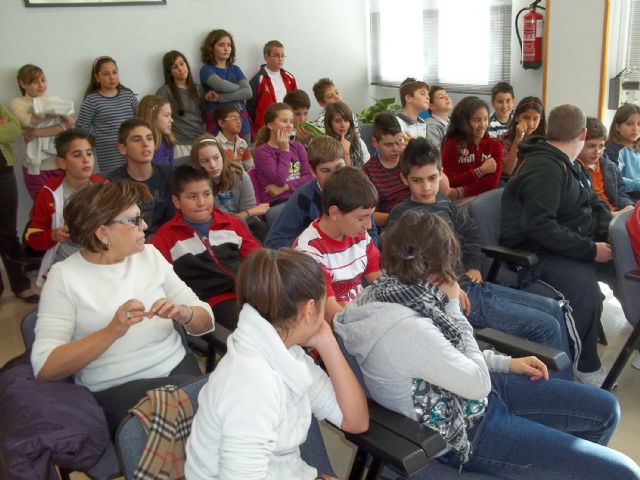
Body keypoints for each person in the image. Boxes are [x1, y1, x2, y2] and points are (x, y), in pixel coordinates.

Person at [334, 210, 640, 480]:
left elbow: (445, 357)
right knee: (623, 473)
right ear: (438, 266)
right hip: (464, 429)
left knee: (606, 409)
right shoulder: (406, 327)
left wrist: (506, 363)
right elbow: (474, 381)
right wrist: (453, 307)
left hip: (469, 393)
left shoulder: (395, 290)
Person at [30, 181, 214, 436]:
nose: (145, 226)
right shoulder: (64, 277)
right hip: (117, 388)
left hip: (178, 368)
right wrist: (112, 331)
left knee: (214, 413)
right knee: (210, 417)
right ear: (103, 233)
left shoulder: (149, 255)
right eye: (135, 220)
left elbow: (205, 319)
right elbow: (45, 367)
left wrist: (185, 313)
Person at [185, 248, 368, 479]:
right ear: (309, 310)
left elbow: (355, 421)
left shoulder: (286, 351)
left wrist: (328, 343)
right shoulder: (251, 384)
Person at [389, 138, 571, 361]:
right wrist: (450, 287)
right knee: (547, 326)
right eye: (417, 180)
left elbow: (470, 232)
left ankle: (565, 384)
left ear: (441, 173)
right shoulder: (402, 217)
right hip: (455, 300)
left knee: (553, 308)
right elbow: (402, 268)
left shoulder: (444, 202)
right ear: (404, 179)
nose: (426, 187)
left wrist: (474, 264)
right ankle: (557, 390)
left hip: (473, 285)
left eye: (432, 178)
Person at [501, 104, 615, 386]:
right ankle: (584, 369)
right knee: (585, 292)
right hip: (534, 254)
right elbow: (540, 228)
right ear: (582, 133)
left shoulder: (570, 164)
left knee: (624, 266)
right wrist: (591, 250)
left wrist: (608, 233)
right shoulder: (545, 168)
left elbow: (594, 202)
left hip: (566, 243)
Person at [151, 164, 261, 330]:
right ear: (176, 201)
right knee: (252, 328)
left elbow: (256, 257)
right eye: (192, 197)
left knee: (285, 310)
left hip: (249, 289)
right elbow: (158, 281)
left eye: (206, 194)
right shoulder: (165, 238)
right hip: (212, 302)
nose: (202, 202)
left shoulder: (230, 223)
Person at [294, 167, 381, 324]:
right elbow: (329, 312)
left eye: (370, 216)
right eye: (361, 218)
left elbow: (377, 277)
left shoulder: (357, 234)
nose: (368, 225)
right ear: (335, 213)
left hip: (357, 312)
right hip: (337, 325)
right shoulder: (309, 252)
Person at [26, 129, 108, 287]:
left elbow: (119, 229)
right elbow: (33, 238)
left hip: (102, 261)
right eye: (77, 155)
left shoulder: (105, 187)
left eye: (89, 153)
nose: (86, 160)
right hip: (66, 265)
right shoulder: (49, 193)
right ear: (62, 163)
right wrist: (54, 235)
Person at [266, 136, 378, 249]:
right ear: (312, 171)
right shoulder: (303, 198)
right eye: (326, 170)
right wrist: (309, 252)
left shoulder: (357, 190)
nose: (335, 175)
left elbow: (371, 232)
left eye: (339, 167)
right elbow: (274, 242)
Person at [9, 64, 73, 199]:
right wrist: (54, 113)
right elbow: (28, 121)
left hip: (58, 163)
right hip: (36, 168)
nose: (41, 85)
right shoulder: (18, 103)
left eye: (43, 80)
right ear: (22, 84)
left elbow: (68, 126)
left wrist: (35, 133)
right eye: (34, 81)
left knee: (64, 207)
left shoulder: (53, 100)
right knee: (43, 208)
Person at [191, 134, 268, 241]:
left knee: (261, 231)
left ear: (222, 156)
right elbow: (212, 221)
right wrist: (249, 212)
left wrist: (248, 213)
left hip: (246, 224)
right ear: (197, 164)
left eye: (216, 158)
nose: (213, 165)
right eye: (205, 161)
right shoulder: (196, 186)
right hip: (216, 231)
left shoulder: (239, 174)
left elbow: (249, 210)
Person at [105, 118, 174, 238]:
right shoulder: (113, 184)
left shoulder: (169, 175)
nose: (145, 144)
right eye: (137, 140)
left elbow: (175, 219)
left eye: (149, 138)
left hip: (167, 240)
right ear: (122, 149)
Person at [0, 103, 39, 304]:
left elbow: (13, 130)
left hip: (3, 174)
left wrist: (6, 127)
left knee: (8, 232)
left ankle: (21, 286)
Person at [76, 56, 138, 173]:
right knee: (115, 186)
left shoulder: (128, 95)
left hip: (132, 150)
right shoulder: (92, 100)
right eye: (106, 74)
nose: (112, 77)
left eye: (114, 72)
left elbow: (141, 120)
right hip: (109, 155)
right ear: (97, 77)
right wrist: (89, 141)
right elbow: (81, 130)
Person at [252, 103, 313, 218]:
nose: (289, 125)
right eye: (284, 121)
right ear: (270, 125)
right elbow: (280, 179)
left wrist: (284, 188)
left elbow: (309, 177)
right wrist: (284, 150)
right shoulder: (262, 152)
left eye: (291, 121)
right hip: (279, 202)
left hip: (302, 196)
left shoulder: (298, 146)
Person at [441, 96, 503, 201]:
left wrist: (459, 192)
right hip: (459, 201)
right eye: (476, 120)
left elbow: (492, 182)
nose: (483, 125)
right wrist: (480, 171)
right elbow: (450, 181)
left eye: (486, 119)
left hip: (484, 198)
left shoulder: (495, 146)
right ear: (464, 122)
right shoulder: (451, 145)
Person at [199, 29, 252, 140]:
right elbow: (221, 85)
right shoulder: (206, 70)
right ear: (211, 48)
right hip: (219, 124)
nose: (226, 48)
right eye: (221, 45)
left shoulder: (235, 69)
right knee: (221, 155)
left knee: (245, 154)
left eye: (229, 45)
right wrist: (240, 89)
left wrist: (221, 97)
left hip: (241, 121)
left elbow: (248, 92)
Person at [156, 50, 205, 165]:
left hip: (199, 141)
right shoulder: (165, 91)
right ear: (170, 72)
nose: (180, 68)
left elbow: (202, 115)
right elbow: (158, 119)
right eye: (175, 67)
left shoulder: (197, 89)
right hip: (180, 145)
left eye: (182, 63)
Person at [362, 112, 409, 228]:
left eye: (399, 141)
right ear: (375, 143)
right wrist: (400, 218)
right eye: (388, 145)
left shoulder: (410, 158)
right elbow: (369, 215)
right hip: (392, 225)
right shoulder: (367, 173)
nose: (396, 149)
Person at [578, 117, 634, 213]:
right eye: (591, 146)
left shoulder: (610, 166)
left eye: (601, 146)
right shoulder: (575, 168)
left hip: (615, 212)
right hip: (596, 216)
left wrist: (628, 205)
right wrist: (609, 215)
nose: (597, 151)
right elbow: (582, 206)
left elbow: (620, 192)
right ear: (579, 143)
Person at [248, 40, 298, 136]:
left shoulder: (290, 78)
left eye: (282, 56)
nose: (280, 59)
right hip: (265, 130)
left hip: (287, 128)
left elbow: (296, 104)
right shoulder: (258, 80)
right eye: (276, 55)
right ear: (266, 57)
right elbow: (250, 109)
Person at [499, 96, 546, 178]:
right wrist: (518, 139)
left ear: (541, 118)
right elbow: (507, 170)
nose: (531, 124)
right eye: (526, 117)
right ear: (517, 117)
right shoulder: (504, 139)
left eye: (535, 119)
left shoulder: (546, 141)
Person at [605, 103, 640, 196]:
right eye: (629, 124)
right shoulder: (613, 150)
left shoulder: (637, 149)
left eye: (639, 124)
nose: (635, 129)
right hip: (626, 198)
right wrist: (637, 184)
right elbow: (615, 179)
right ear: (617, 127)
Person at [324, 101, 370, 167]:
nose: (343, 125)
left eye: (346, 120)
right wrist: (345, 153)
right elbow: (343, 175)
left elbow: (368, 168)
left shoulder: (359, 142)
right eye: (337, 121)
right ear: (329, 124)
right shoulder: (325, 146)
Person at [137, 94, 175, 168]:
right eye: (167, 115)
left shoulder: (168, 140)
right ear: (152, 117)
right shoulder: (140, 146)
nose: (172, 120)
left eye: (171, 115)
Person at [213, 104, 254, 171]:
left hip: (243, 179)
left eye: (239, 118)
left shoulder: (242, 143)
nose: (239, 122)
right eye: (233, 118)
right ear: (221, 123)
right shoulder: (215, 144)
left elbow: (250, 167)